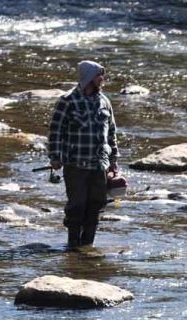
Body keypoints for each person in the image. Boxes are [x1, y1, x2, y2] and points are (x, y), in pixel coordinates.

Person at [48, 60, 119, 249]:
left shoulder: (104, 101)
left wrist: (113, 161)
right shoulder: (67, 100)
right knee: (77, 206)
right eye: (98, 75)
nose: (102, 79)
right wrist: (55, 156)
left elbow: (111, 133)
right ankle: (72, 245)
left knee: (96, 204)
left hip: (100, 164)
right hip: (75, 164)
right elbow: (56, 131)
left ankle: (87, 246)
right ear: (88, 77)